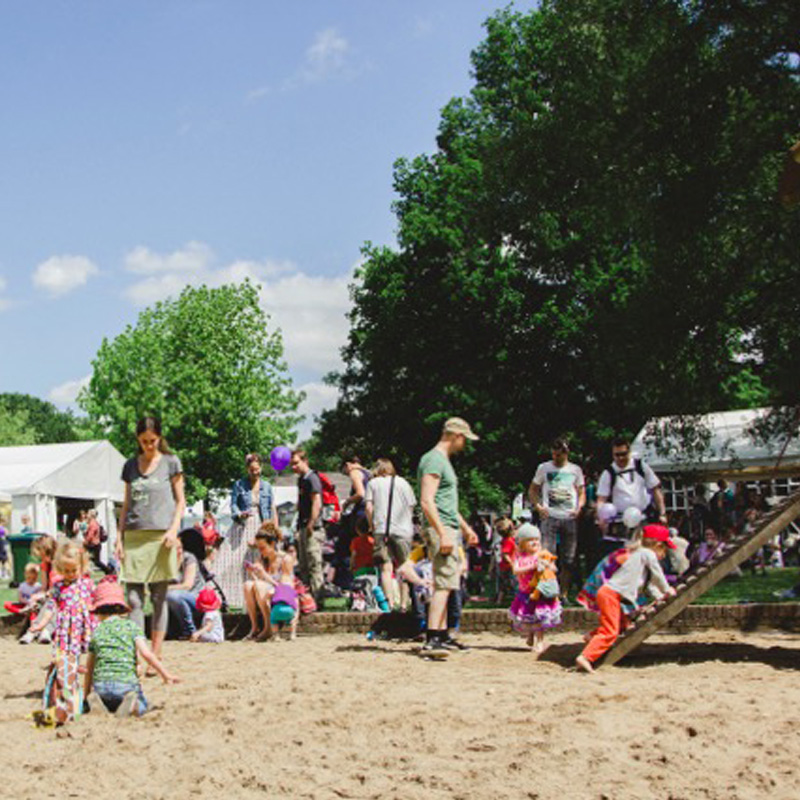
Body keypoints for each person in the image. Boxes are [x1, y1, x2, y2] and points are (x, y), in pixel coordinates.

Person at [116, 415, 186, 665]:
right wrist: (119, 538)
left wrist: (173, 530)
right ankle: (139, 651)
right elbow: (125, 506)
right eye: (144, 441)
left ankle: (156, 654)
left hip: (161, 537)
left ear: (160, 438)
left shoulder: (171, 463)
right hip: (134, 536)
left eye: (153, 441)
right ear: (138, 439)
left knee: (159, 598)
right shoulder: (129, 466)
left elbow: (180, 501)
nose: (148, 445)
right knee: (133, 600)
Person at [417, 416, 480, 659]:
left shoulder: (442, 460)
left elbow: (447, 504)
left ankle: (442, 635)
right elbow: (426, 500)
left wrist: (464, 528)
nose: (465, 445)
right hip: (441, 528)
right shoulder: (434, 459)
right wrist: (443, 532)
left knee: (449, 580)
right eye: (465, 439)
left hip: (448, 526)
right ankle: (432, 638)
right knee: (443, 583)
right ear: (456, 436)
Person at [576, 525, 676, 673]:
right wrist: (667, 590)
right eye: (665, 551)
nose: (664, 555)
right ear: (658, 545)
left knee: (623, 625)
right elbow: (658, 575)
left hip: (610, 594)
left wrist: (661, 597)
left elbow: (649, 585)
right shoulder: (648, 554)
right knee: (610, 631)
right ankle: (585, 657)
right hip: (611, 595)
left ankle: (592, 637)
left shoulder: (640, 556)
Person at [85, 578, 179, 717]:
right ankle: (133, 706)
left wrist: (86, 695)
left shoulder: (97, 631)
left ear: (98, 611)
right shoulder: (131, 627)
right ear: (121, 609)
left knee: (106, 699)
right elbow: (147, 654)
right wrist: (166, 675)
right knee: (143, 703)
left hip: (101, 687)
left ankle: (98, 703)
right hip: (125, 685)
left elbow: (90, 668)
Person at [529, 437, 586, 599]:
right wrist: (538, 507)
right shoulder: (544, 468)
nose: (555, 458)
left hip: (569, 516)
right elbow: (533, 490)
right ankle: (549, 591)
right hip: (550, 515)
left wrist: (579, 508)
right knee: (547, 556)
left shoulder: (575, 470)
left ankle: (564, 592)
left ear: (566, 453)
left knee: (569, 558)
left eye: (559, 455)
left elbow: (581, 492)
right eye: (553, 454)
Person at [220, 453, 279, 609]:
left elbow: (272, 509)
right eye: (252, 469)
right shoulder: (239, 485)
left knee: (260, 561)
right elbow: (233, 505)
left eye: (257, 469)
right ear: (247, 469)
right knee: (236, 562)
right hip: (242, 525)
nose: (255, 472)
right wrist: (239, 514)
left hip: (261, 526)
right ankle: (237, 599)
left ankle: (262, 598)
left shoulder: (267, 486)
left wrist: (274, 528)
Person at [26, 540, 96, 657]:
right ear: (60, 568)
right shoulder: (58, 587)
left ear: (81, 566)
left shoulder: (87, 584)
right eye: (66, 571)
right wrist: (41, 624)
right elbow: (50, 607)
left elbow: (97, 601)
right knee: (65, 654)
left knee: (89, 653)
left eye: (74, 570)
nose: (70, 574)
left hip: (84, 625)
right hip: (66, 628)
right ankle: (66, 670)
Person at [596, 437, 666, 553]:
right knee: (626, 554)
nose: (620, 458)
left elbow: (655, 489)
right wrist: (601, 518)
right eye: (617, 455)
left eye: (623, 454)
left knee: (647, 552)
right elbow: (601, 499)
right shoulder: (608, 472)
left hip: (644, 518)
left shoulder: (641, 466)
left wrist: (662, 513)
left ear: (629, 452)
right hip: (621, 522)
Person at [366, 458, 417, 611]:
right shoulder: (403, 483)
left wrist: (371, 525)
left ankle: (389, 604)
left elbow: (369, 507)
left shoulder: (372, 484)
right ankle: (403, 603)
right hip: (403, 530)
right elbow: (411, 506)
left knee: (386, 569)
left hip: (382, 530)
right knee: (404, 567)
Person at [508, 524, 562, 655]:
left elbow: (555, 569)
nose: (535, 542)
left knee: (539, 619)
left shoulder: (542, 554)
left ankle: (539, 641)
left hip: (540, 593)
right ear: (522, 543)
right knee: (529, 617)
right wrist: (532, 566)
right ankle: (531, 636)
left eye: (537, 539)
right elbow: (515, 570)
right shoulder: (520, 556)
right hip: (525, 593)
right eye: (530, 540)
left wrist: (547, 565)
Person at [242, 523, 289, 640]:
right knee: (247, 585)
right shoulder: (262, 558)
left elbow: (284, 587)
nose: (260, 551)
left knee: (258, 585)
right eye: (258, 548)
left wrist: (264, 575)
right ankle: (254, 627)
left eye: (262, 548)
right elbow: (257, 585)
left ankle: (268, 627)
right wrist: (252, 573)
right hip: (264, 593)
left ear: (272, 544)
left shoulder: (285, 559)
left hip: (280, 593)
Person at [290, 449, 325, 599]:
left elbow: (317, 502)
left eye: (296, 463)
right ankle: (305, 599)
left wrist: (311, 523)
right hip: (303, 526)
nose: (294, 467)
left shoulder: (312, 478)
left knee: (314, 564)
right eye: (292, 464)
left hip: (313, 528)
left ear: (305, 461)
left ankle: (318, 598)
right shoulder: (301, 480)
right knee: (303, 565)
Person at [166, 534, 205, 639]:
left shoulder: (189, 558)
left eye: (180, 548)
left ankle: (189, 630)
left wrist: (164, 589)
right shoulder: (165, 563)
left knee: (172, 596)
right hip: (177, 598)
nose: (179, 551)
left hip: (196, 598)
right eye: (176, 549)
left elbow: (187, 585)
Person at [84, 508, 114, 575]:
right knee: (94, 560)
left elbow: (91, 534)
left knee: (96, 561)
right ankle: (108, 570)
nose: (87, 515)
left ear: (92, 515)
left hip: (94, 545)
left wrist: (86, 541)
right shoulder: (94, 523)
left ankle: (108, 570)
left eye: (88, 513)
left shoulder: (93, 523)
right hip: (95, 544)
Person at [496, 518, 517, 604]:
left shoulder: (508, 540)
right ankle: (517, 601)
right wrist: (512, 564)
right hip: (508, 567)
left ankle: (499, 601)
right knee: (514, 584)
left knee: (504, 585)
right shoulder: (508, 541)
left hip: (505, 567)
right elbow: (505, 554)